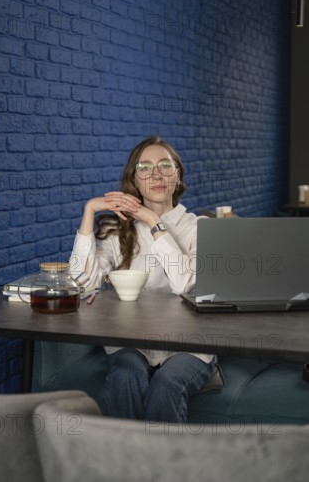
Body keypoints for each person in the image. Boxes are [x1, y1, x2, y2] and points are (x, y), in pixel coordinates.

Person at [70, 136, 215, 423]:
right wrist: (89, 210)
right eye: (145, 168)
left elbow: (186, 282)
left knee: (167, 384)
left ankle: (163, 468)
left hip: (189, 344)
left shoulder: (200, 228)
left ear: (178, 175)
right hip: (130, 341)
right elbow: (82, 284)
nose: (156, 174)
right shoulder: (116, 230)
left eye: (165, 165)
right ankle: (128, 464)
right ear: (134, 180)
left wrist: (152, 221)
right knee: (124, 374)